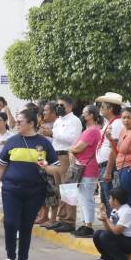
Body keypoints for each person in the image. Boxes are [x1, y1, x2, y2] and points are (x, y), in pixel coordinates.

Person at [0, 108, 60, 260]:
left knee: (26, 226)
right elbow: (1, 165)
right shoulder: (12, 141)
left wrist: (44, 165)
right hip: (11, 190)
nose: (16, 124)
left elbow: (55, 168)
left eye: (20, 121)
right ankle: (10, 258)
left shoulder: (44, 143)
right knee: (11, 223)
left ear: (31, 123)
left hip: (35, 191)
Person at [47, 95, 83, 233]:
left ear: (70, 106)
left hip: (66, 156)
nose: (58, 107)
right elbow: (55, 138)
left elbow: (72, 139)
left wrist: (52, 133)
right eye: (57, 105)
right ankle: (62, 219)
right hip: (56, 155)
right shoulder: (58, 121)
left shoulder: (74, 121)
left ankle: (69, 221)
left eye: (61, 105)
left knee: (68, 188)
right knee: (60, 189)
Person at [69, 105, 102, 238]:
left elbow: (77, 147)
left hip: (88, 167)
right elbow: (75, 147)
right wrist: (72, 149)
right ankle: (84, 224)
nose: (82, 115)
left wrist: (72, 150)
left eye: (85, 113)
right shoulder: (88, 130)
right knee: (82, 197)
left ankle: (88, 225)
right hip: (83, 167)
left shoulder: (92, 131)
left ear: (92, 115)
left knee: (86, 197)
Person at [93, 187, 131, 260]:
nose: (109, 200)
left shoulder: (127, 212)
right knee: (97, 234)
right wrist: (104, 219)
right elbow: (109, 229)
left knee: (105, 236)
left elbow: (116, 231)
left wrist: (106, 219)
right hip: (124, 239)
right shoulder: (116, 210)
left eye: (110, 198)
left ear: (115, 201)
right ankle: (107, 257)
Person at [106, 107, 131, 216]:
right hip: (120, 169)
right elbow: (118, 153)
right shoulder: (123, 131)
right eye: (124, 118)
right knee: (122, 200)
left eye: (129, 118)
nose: (126, 120)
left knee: (130, 199)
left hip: (130, 169)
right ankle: (125, 227)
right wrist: (111, 139)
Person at [96, 93, 124, 214]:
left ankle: (114, 227)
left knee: (110, 199)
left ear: (110, 108)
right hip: (104, 166)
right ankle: (111, 227)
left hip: (109, 166)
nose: (100, 108)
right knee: (106, 198)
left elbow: (114, 148)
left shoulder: (117, 124)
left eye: (103, 106)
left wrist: (108, 171)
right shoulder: (110, 123)